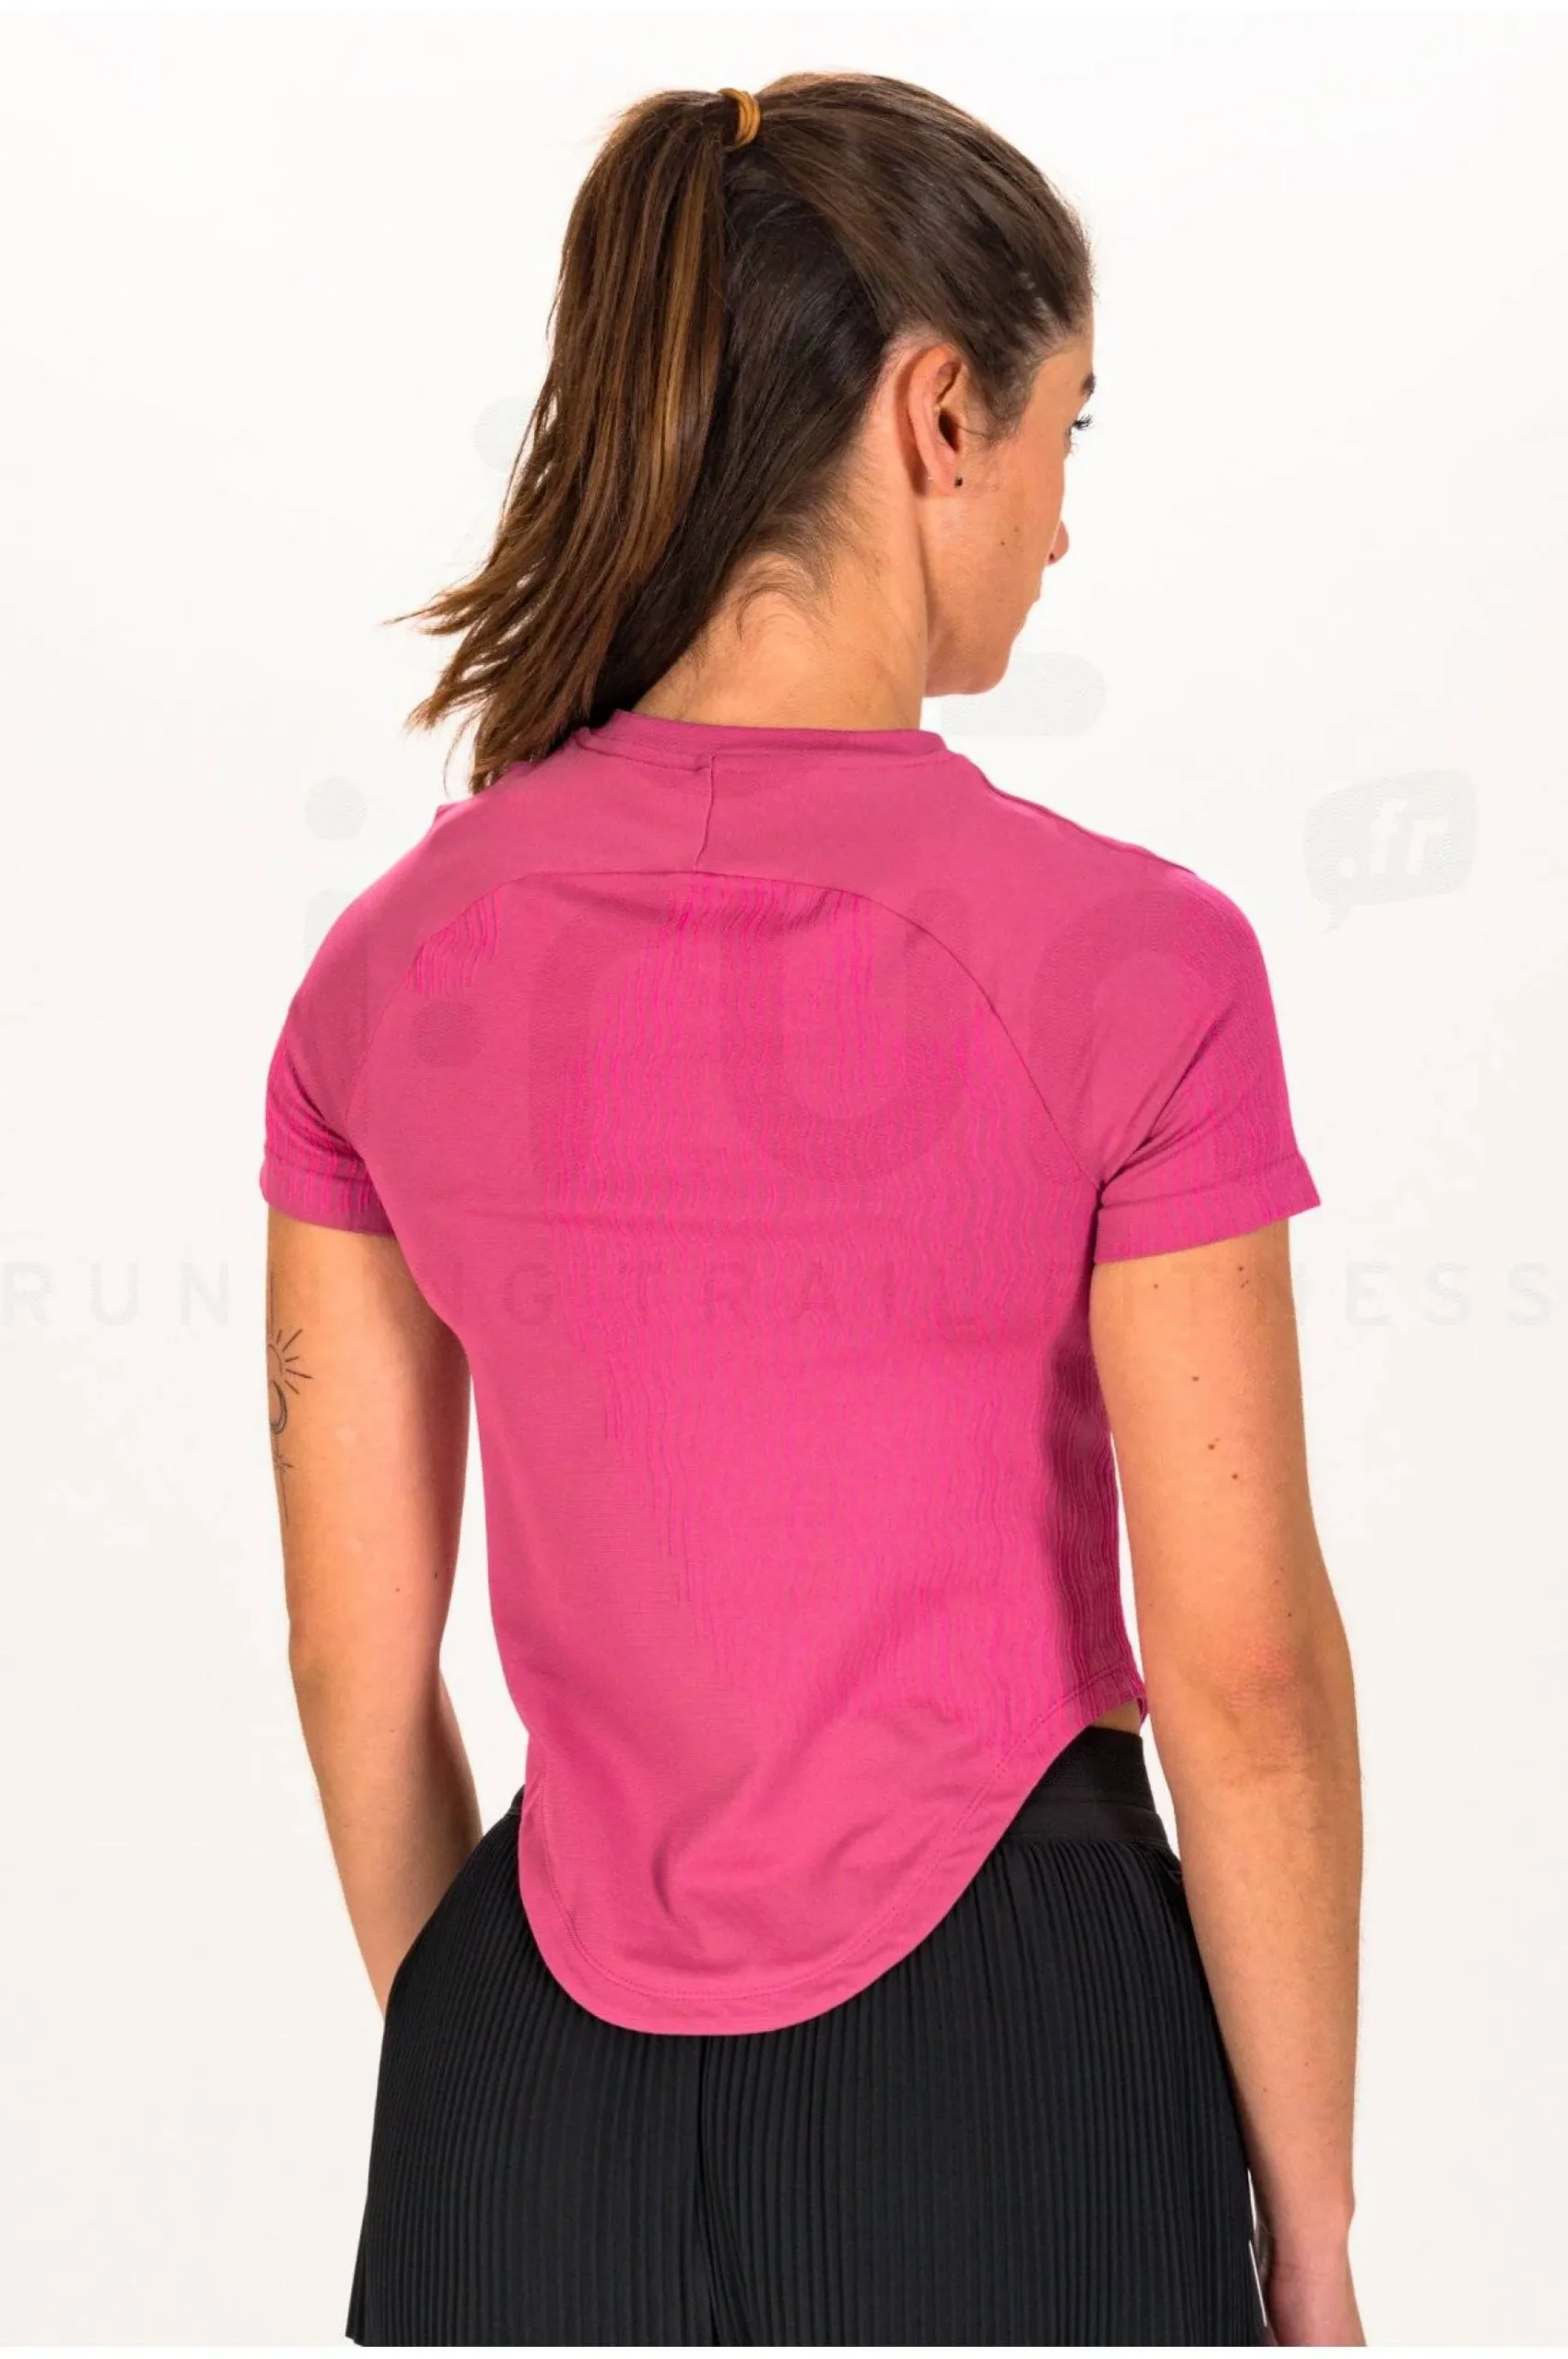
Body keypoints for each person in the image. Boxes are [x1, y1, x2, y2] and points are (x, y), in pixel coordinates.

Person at [261, 70, 1364, 2348]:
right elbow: (1241, 1676)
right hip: (1014, 2069)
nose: (1060, 519)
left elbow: (355, 1669)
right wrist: (1313, 2235)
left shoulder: (387, 966)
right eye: (1065, 426)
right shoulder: (1127, 960)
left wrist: (498, 2083)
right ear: (939, 413)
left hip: (525, 2081)